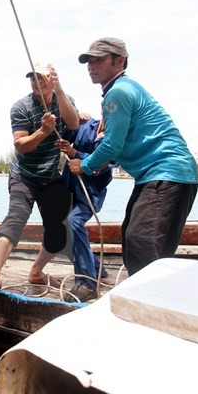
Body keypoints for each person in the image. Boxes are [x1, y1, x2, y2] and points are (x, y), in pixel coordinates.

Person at [68, 37, 198, 276]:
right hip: (163, 176)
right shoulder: (122, 90)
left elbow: (112, 146)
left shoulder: (118, 91)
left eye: (99, 59)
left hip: (167, 172)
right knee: (135, 239)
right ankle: (152, 299)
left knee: (141, 241)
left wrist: (84, 165)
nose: (91, 65)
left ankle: (149, 305)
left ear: (120, 61)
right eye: (89, 60)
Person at [0, 62, 79, 290]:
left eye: (41, 78)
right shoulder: (21, 107)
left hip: (51, 174)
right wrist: (43, 131)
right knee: (16, 218)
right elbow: (21, 146)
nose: (36, 82)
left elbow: (73, 123)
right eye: (32, 78)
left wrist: (61, 91)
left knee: (60, 228)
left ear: (52, 79)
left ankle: (36, 271)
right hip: (23, 175)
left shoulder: (65, 99)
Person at [57, 114, 114, 302]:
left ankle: (87, 283)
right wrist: (73, 118)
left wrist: (76, 154)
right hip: (69, 188)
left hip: (89, 193)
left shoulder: (115, 137)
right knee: (61, 233)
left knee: (74, 223)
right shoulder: (87, 125)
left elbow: (103, 163)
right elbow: (66, 132)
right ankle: (96, 267)